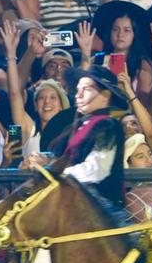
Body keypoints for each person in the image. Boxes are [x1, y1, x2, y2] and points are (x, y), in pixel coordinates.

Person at [42, 66, 127, 207]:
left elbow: (97, 169)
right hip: (73, 202)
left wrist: (55, 172)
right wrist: (44, 160)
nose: (78, 95)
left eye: (86, 90)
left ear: (105, 96)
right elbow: (62, 157)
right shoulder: (77, 126)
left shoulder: (108, 126)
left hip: (101, 208)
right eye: (77, 90)